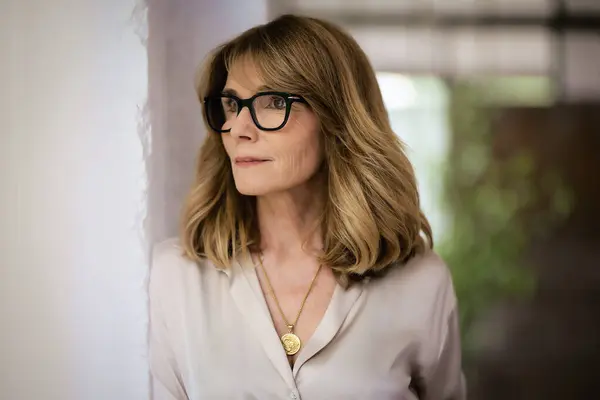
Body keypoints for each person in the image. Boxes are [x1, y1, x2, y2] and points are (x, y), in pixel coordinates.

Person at [149, 14, 465, 400]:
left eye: (273, 102)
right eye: (231, 104)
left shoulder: (421, 283)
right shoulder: (175, 279)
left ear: (338, 120)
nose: (238, 129)